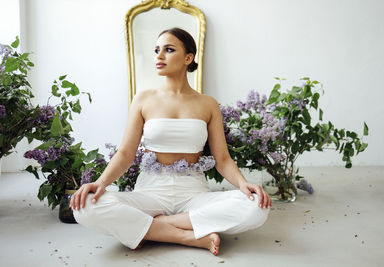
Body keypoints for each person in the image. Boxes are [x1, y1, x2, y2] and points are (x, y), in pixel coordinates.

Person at [70, 27, 272, 256]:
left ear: (188, 58)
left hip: (194, 193)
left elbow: (222, 159)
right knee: (85, 206)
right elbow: (126, 154)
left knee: (257, 206)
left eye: (168, 49)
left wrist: (243, 184)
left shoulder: (208, 104)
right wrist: (100, 183)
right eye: (157, 50)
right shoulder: (143, 99)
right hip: (150, 191)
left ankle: (151, 227)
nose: (159, 55)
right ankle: (186, 236)